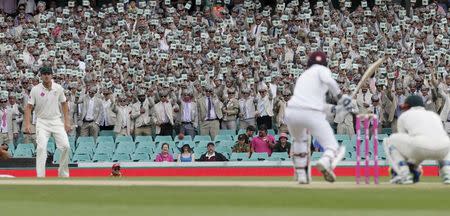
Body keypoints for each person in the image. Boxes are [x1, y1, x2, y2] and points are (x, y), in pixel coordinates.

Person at [285, 51, 350, 184]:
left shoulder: (303, 76)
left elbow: (317, 103)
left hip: (292, 111)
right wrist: (341, 98)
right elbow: (329, 81)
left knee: (299, 141)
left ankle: (302, 175)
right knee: (332, 146)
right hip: (311, 113)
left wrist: (338, 108)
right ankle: (325, 161)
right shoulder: (322, 70)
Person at [384, 95, 450, 184]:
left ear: (408, 106)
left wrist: (412, 164)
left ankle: (404, 173)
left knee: (391, 140)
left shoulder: (404, 115)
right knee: (442, 141)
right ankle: (447, 173)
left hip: (419, 146)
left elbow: (405, 143)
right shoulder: (433, 115)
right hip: (444, 148)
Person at [24, 67, 71, 178]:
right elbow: (28, 107)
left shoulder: (58, 88)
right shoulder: (35, 89)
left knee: (66, 146)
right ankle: (40, 177)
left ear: (51, 75)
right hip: (42, 122)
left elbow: (64, 104)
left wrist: (67, 122)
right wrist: (27, 124)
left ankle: (63, 174)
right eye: (44, 74)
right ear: (41, 76)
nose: (46, 76)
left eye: (48, 74)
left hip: (56, 121)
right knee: (41, 148)